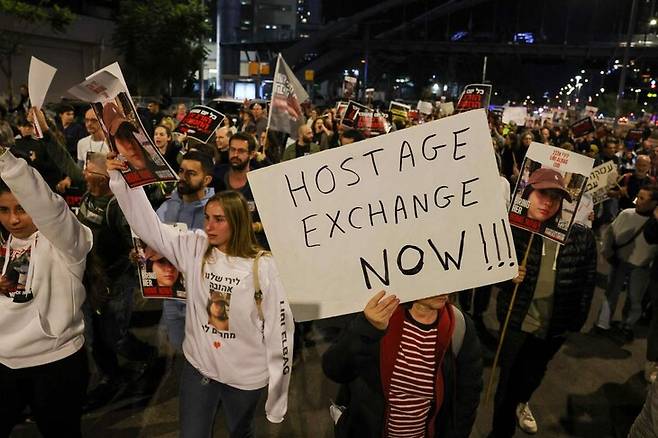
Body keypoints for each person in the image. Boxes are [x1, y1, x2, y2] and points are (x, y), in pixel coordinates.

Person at [107, 155, 294, 437]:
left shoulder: (264, 267)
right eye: (207, 217)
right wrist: (122, 182)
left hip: (244, 377)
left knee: (240, 432)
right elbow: (149, 227)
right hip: (200, 369)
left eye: (219, 220)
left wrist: (277, 400)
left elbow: (281, 334)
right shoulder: (195, 247)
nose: (209, 226)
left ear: (238, 222)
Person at [0, 143, 93, 437]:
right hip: (4, 363)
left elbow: (52, 211)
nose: (13, 219)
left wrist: (7, 162)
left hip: (56, 362)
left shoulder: (66, 243)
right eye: (3, 210)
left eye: (21, 209)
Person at [322, 290, 483, 438]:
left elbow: (467, 398)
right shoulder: (378, 313)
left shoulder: (458, 327)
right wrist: (366, 328)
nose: (445, 288)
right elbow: (335, 369)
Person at [489, 221, 597, 437]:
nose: (548, 200)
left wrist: (576, 321)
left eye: (556, 195)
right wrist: (508, 276)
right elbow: (490, 270)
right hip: (517, 320)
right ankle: (501, 431)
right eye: (543, 193)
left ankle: (522, 401)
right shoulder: (518, 228)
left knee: (535, 372)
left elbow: (588, 280)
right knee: (507, 381)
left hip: (555, 326)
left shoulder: (582, 236)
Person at [157, 150, 214, 352]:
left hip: (204, 301)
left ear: (206, 179)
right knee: (178, 351)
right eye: (181, 171)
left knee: (206, 354)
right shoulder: (165, 208)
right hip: (172, 299)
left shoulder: (217, 213)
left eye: (191, 173)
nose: (183, 177)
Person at [596, 186, 658, 341]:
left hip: (641, 267)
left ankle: (627, 326)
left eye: (643, 198)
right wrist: (607, 253)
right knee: (611, 293)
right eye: (638, 196)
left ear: (654, 203)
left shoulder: (654, 224)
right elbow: (610, 233)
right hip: (620, 262)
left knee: (634, 299)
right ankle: (603, 323)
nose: (638, 201)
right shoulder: (626, 214)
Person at [213, 132, 268, 249]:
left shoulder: (261, 182)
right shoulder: (216, 176)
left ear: (252, 154)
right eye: (232, 150)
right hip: (219, 246)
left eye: (241, 151)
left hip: (251, 246)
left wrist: (252, 226)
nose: (235, 155)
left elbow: (273, 221)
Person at [519, 167, 572, 235]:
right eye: (543, 192)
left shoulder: (555, 239)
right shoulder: (505, 222)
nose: (549, 203)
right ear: (528, 192)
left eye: (555, 197)